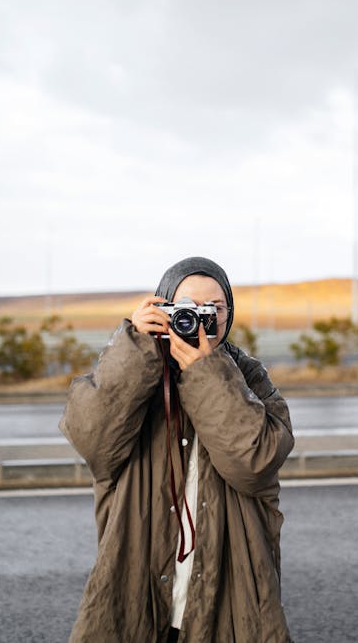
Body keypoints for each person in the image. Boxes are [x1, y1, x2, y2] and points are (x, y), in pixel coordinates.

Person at [60, 256, 294, 642]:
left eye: (213, 308)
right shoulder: (137, 366)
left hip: (230, 593)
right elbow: (92, 441)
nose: (199, 319)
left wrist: (207, 373)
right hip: (136, 586)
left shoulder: (248, 376)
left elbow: (255, 462)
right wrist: (135, 347)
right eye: (185, 307)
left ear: (228, 314)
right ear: (163, 308)